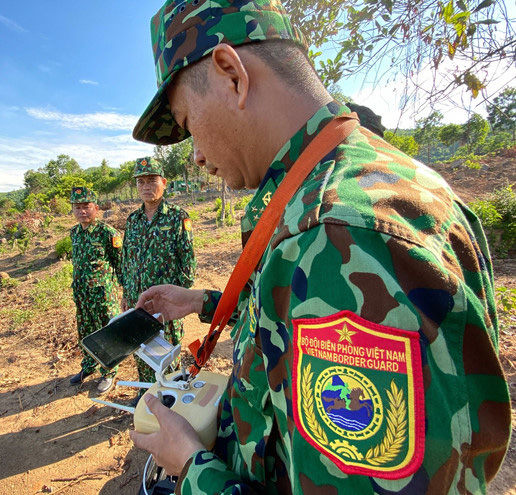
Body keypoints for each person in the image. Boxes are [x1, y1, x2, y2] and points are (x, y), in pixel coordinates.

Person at [128, 1, 511, 494]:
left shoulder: (336, 231)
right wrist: (203, 301)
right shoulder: (337, 185)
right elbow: (295, 315)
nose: (197, 154)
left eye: (189, 122)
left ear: (231, 74)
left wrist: (192, 466)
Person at [120, 157, 196, 395]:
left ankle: (169, 397)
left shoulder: (177, 216)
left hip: (166, 304)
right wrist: (126, 294)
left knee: (166, 354)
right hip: (138, 302)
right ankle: (147, 396)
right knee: (142, 350)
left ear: (163, 182)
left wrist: (179, 297)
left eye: (151, 180)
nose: (146, 186)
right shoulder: (132, 221)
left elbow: (188, 263)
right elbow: (127, 260)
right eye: (140, 182)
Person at [68, 186, 122, 395]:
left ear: (96, 208)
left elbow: (120, 265)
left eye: (86, 207)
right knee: (85, 331)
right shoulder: (74, 233)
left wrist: (124, 292)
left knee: (106, 332)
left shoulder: (107, 233)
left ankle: (109, 371)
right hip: (82, 294)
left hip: (103, 295)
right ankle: (89, 365)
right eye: (77, 207)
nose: (82, 211)